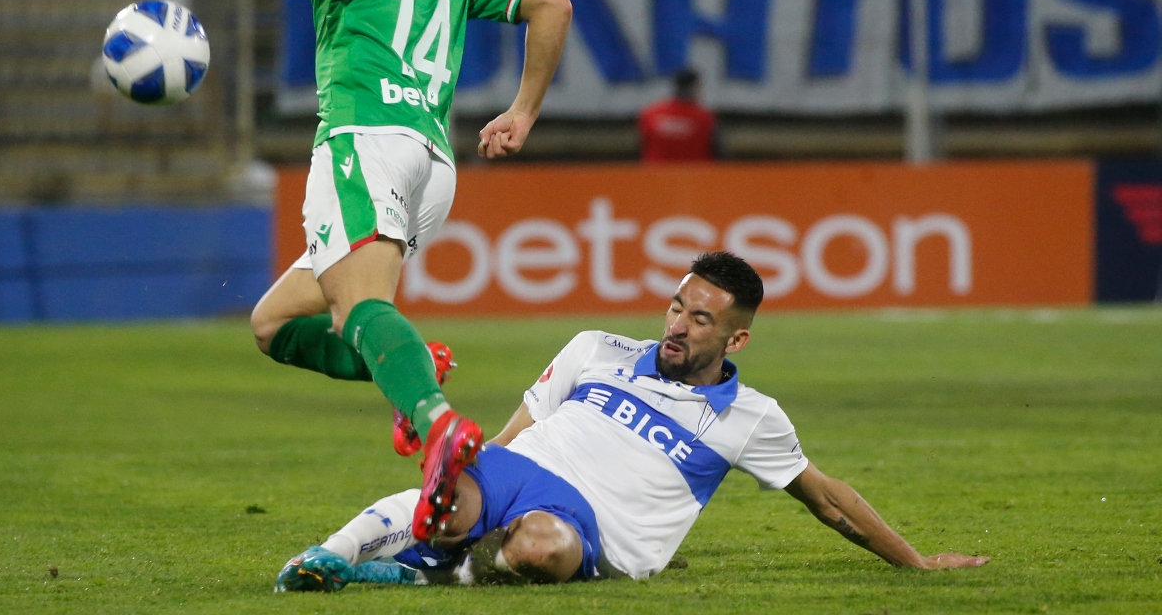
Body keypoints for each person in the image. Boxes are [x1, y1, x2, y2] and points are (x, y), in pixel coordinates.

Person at [124, 0, 573, 541]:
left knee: (362, 305)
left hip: (365, 140)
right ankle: (414, 371)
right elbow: (552, 2)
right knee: (274, 325)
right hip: (431, 160)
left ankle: (437, 422)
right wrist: (524, 111)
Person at [274, 251, 990, 590]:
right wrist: (465, 470)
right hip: (520, 470)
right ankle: (324, 558)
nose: (677, 325)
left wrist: (916, 560)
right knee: (459, 494)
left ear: (735, 340)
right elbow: (511, 435)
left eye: (700, 319)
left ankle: (420, 573)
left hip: (589, 523)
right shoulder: (596, 349)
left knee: (542, 549)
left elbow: (828, 499)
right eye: (677, 306)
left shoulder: (751, 418)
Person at [638, 68, 718, 163]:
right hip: (695, 175)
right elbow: (718, 151)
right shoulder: (705, 117)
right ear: (695, 87)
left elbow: (641, 146)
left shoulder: (651, 114)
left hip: (656, 175)